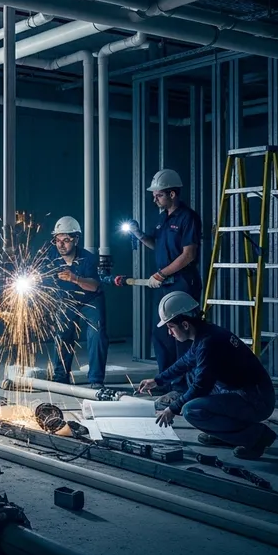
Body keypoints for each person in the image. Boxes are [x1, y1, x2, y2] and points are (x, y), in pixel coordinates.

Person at [139, 291, 276, 460]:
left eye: (171, 327)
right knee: (191, 374)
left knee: (192, 409)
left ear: (185, 325)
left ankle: (256, 436)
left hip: (256, 400)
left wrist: (172, 409)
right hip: (246, 391)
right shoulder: (205, 334)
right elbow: (184, 362)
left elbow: (201, 386)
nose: (170, 333)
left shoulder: (208, 343)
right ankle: (227, 435)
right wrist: (157, 380)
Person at [127, 168, 202, 392]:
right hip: (164, 284)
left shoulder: (188, 217)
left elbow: (188, 254)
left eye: (158, 194)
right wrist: (139, 235)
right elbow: (156, 245)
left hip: (181, 283)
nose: (154, 198)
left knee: (181, 335)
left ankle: (183, 387)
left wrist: (161, 274)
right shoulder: (163, 219)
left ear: (172, 194)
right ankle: (166, 381)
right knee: (161, 334)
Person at [46, 216, 109, 389]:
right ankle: (60, 377)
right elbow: (40, 277)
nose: (61, 244)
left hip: (91, 299)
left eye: (66, 240)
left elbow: (95, 285)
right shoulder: (51, 256)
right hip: (66, 300)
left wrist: (75, 278)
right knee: (62, 334)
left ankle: (96, 380)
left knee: (96, 334)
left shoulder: (88, 258)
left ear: (76, 240)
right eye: (57, 240)